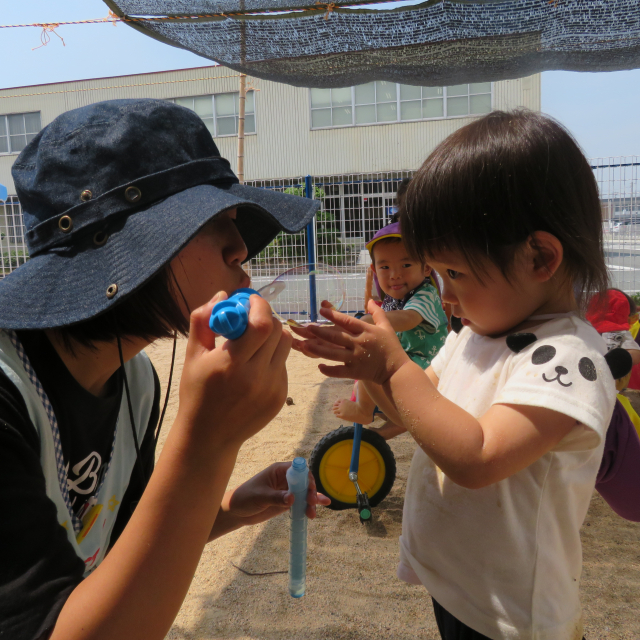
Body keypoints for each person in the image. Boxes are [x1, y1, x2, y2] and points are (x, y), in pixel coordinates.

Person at [0, 98, 329, 640]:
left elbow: (124, 541)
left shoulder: (136, 380)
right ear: (123, 247)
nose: (241, 245)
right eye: (212, 220)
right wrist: (207, 443)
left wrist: (225, 508)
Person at [294, 110, 618, 639]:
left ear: (540, 256)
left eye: (454, 273)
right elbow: (417, 415)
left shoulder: (566, 358)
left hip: (513, 617)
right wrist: (374, 371)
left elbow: (478, 457)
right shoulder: (475, 335)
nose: (443, 294)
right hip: (460, 589)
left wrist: (394, 364)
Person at [333, 221, 447, 432]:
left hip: (426, 367)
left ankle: (365, 410)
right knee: (366, 362)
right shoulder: (393, 297)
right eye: (385, 267)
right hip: (406, 361)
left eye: (406, 265)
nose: (394, 274)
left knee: (369, 362)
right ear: (375, 269)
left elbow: (408, 318)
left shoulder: (426, 294)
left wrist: (371, 320)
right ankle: (380, 433)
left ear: (426, 267)